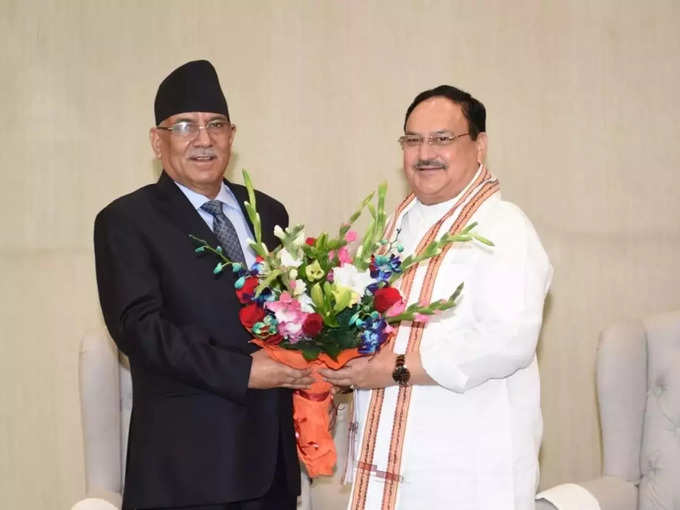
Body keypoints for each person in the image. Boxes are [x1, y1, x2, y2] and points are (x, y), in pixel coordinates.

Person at [320, 85, 553, 510]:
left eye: (442, 139)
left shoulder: (503, 228)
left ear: (479, 145)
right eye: (413, 140)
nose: (425, 152)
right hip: (387, 468)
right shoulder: (392, 228)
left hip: (466, 476)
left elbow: (507, 340)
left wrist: (397, 368)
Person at [94, 60, 313, 510]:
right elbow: (139, 329)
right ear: (158, 141)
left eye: (215, 125)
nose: (203, 139)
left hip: (272, 467)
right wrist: (243, 372)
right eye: (185, 126)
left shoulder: (270, 212)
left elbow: (293, 312)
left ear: (232, 135)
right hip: (186, 472)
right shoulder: (127, 221)